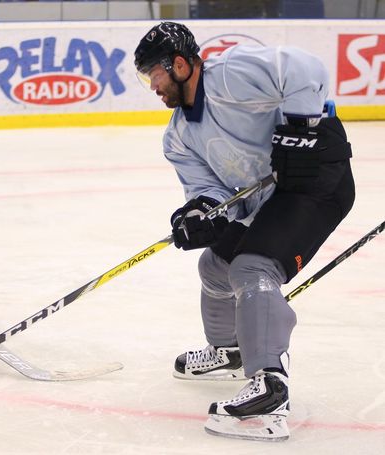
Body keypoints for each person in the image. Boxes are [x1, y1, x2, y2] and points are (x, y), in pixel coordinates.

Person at [134, 22, 354, 441]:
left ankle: (270, 389)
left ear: (179, 65)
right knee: (216, 266)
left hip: (318, 179)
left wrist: (300, 130)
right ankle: (232, 351)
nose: (154, 87)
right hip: (271, 193)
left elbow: (307, 68)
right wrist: (203, 212)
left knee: (253, 269)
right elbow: (208, 189)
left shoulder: (231, 74)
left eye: (155, 76)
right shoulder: (179, 136)